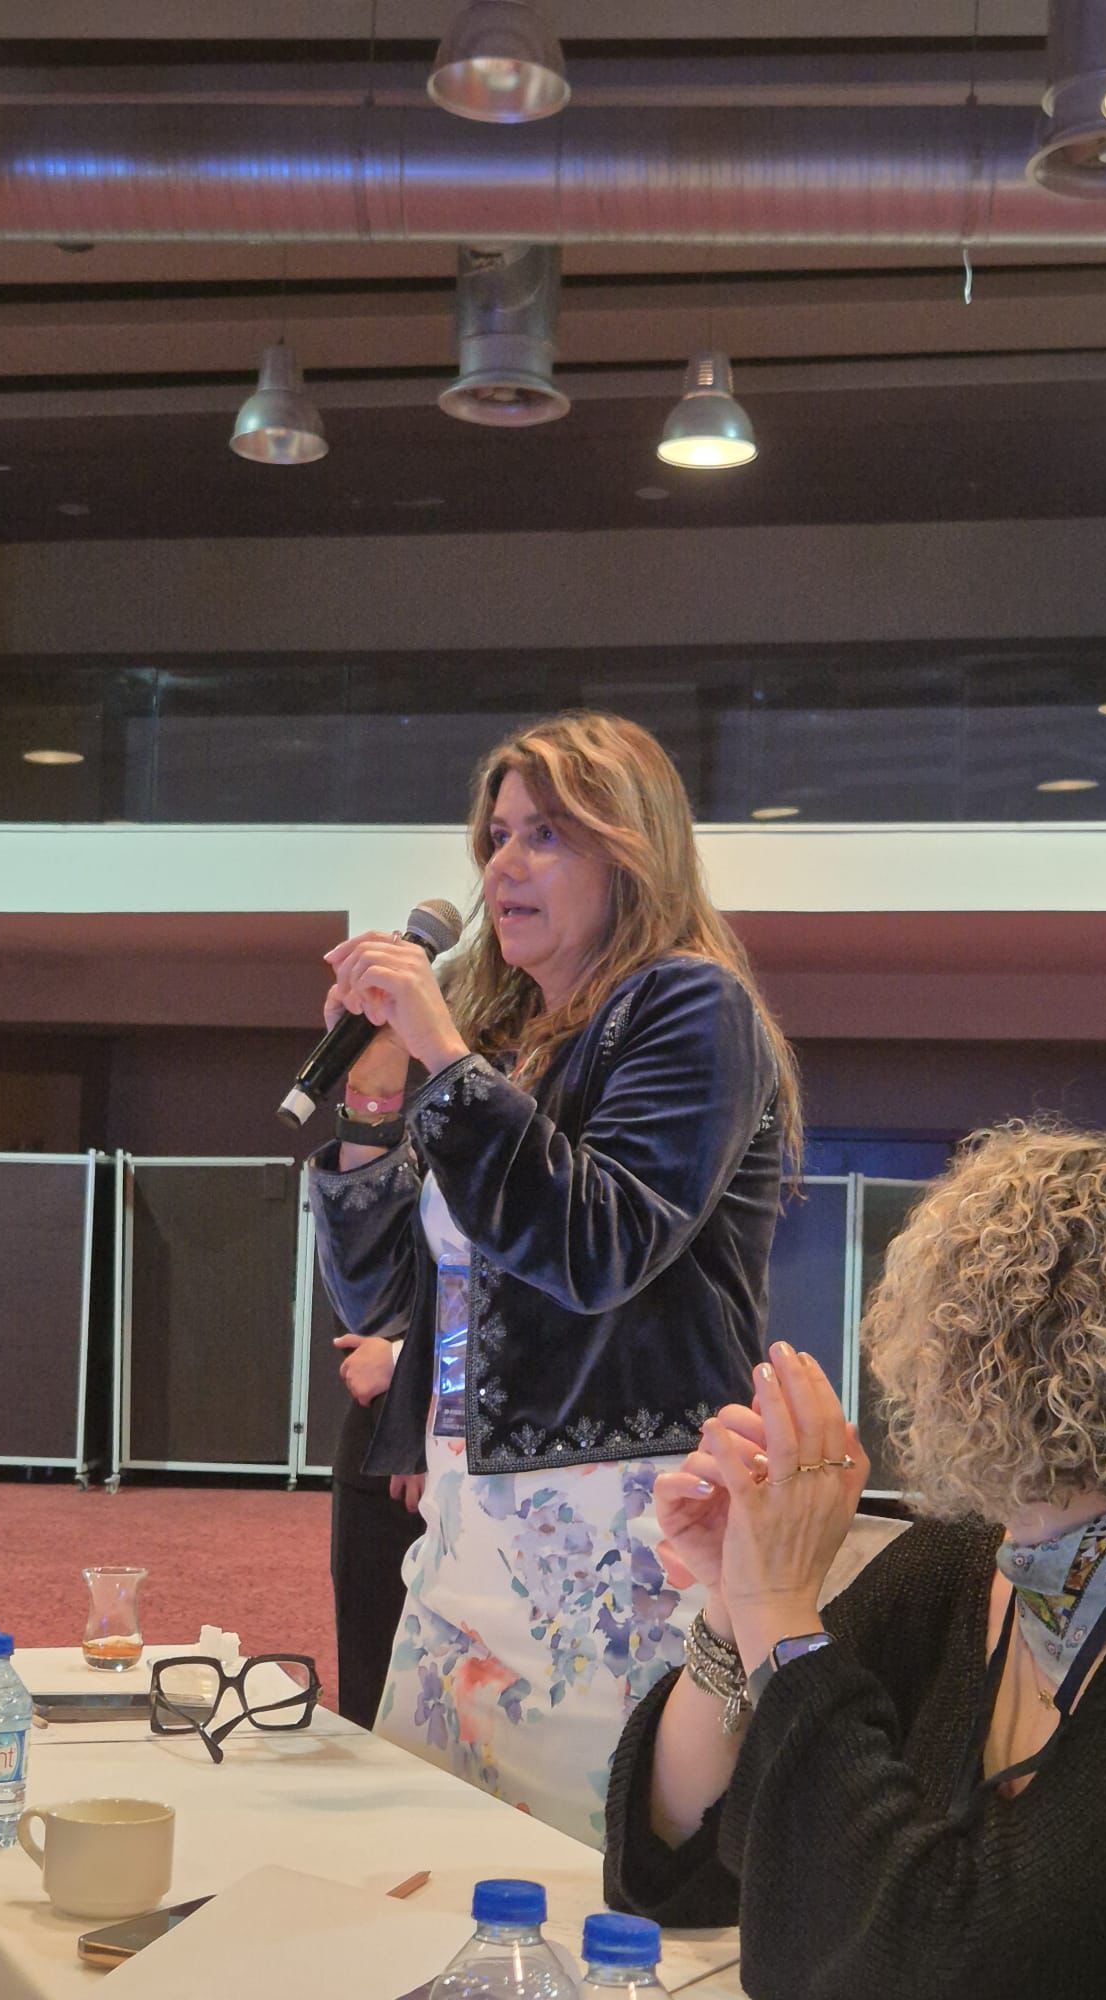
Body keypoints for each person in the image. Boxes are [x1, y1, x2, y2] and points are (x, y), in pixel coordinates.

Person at [603, 1123, 1106, 1999]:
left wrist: (780, 1612)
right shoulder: (964, 1564)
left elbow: (929, 1966)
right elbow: (677, 1870)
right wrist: (736, 1604)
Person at [307, 710, 800, 1846]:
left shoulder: (690, 1007)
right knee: (428, 1847)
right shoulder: (502, 1042)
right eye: (497, 836)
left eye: (545, 836)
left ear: (632, 852)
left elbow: (598, 1246)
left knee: (587, 1868)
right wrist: (376, 1094)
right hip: (463, 1529)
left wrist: (444, 1059)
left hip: (620, 1530)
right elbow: (380, 1297)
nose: (503, 866)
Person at [327, 1323, 424, 1730]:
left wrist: (402, 1361)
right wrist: (403, 1425)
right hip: (388, 1477)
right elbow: (365, 1333)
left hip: (535, 1477)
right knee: (375, 1692)